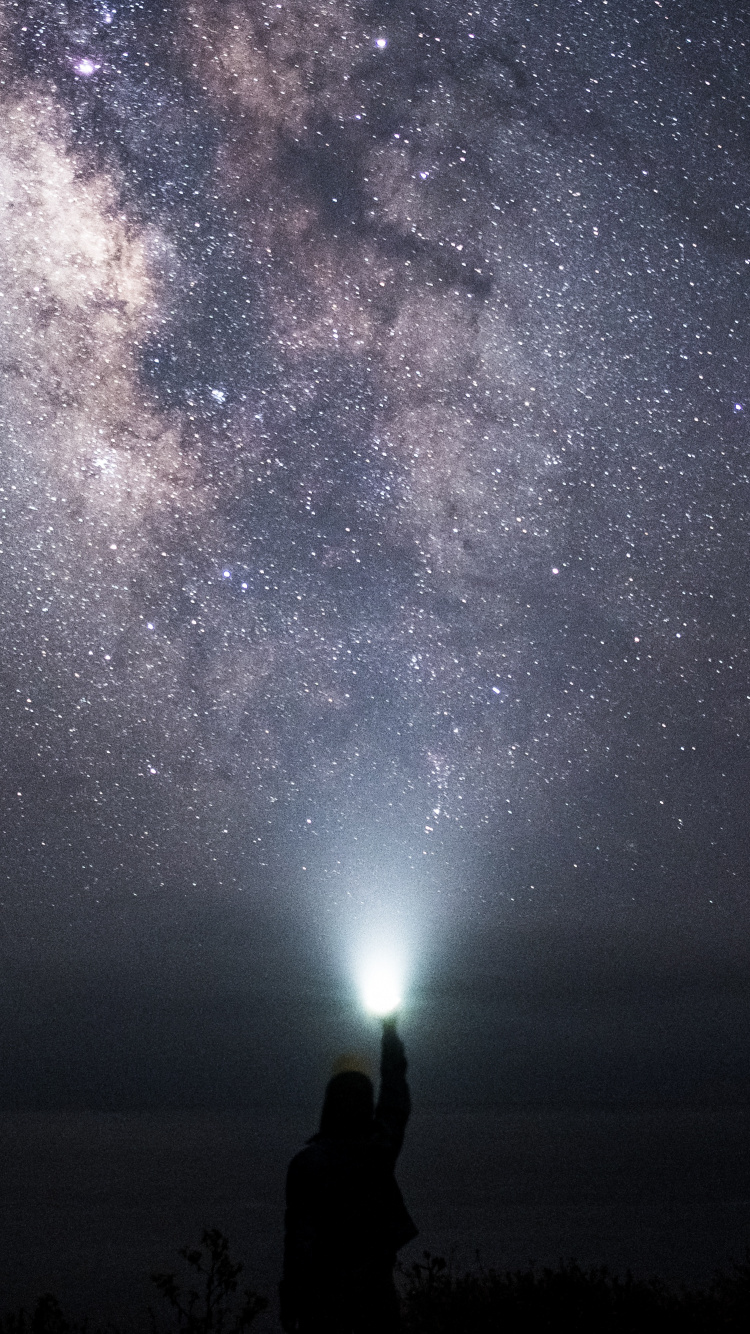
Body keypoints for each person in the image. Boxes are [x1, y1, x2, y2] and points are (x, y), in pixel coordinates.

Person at [280, 1016, 417, 1333]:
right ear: (366, 1107)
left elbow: (298, 1239)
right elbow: (396, 1101)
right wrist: (390, 1034)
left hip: (323, 1302)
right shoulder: (377, 1153)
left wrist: (292, 1300)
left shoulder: (306, 1164)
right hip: (376, 1298)